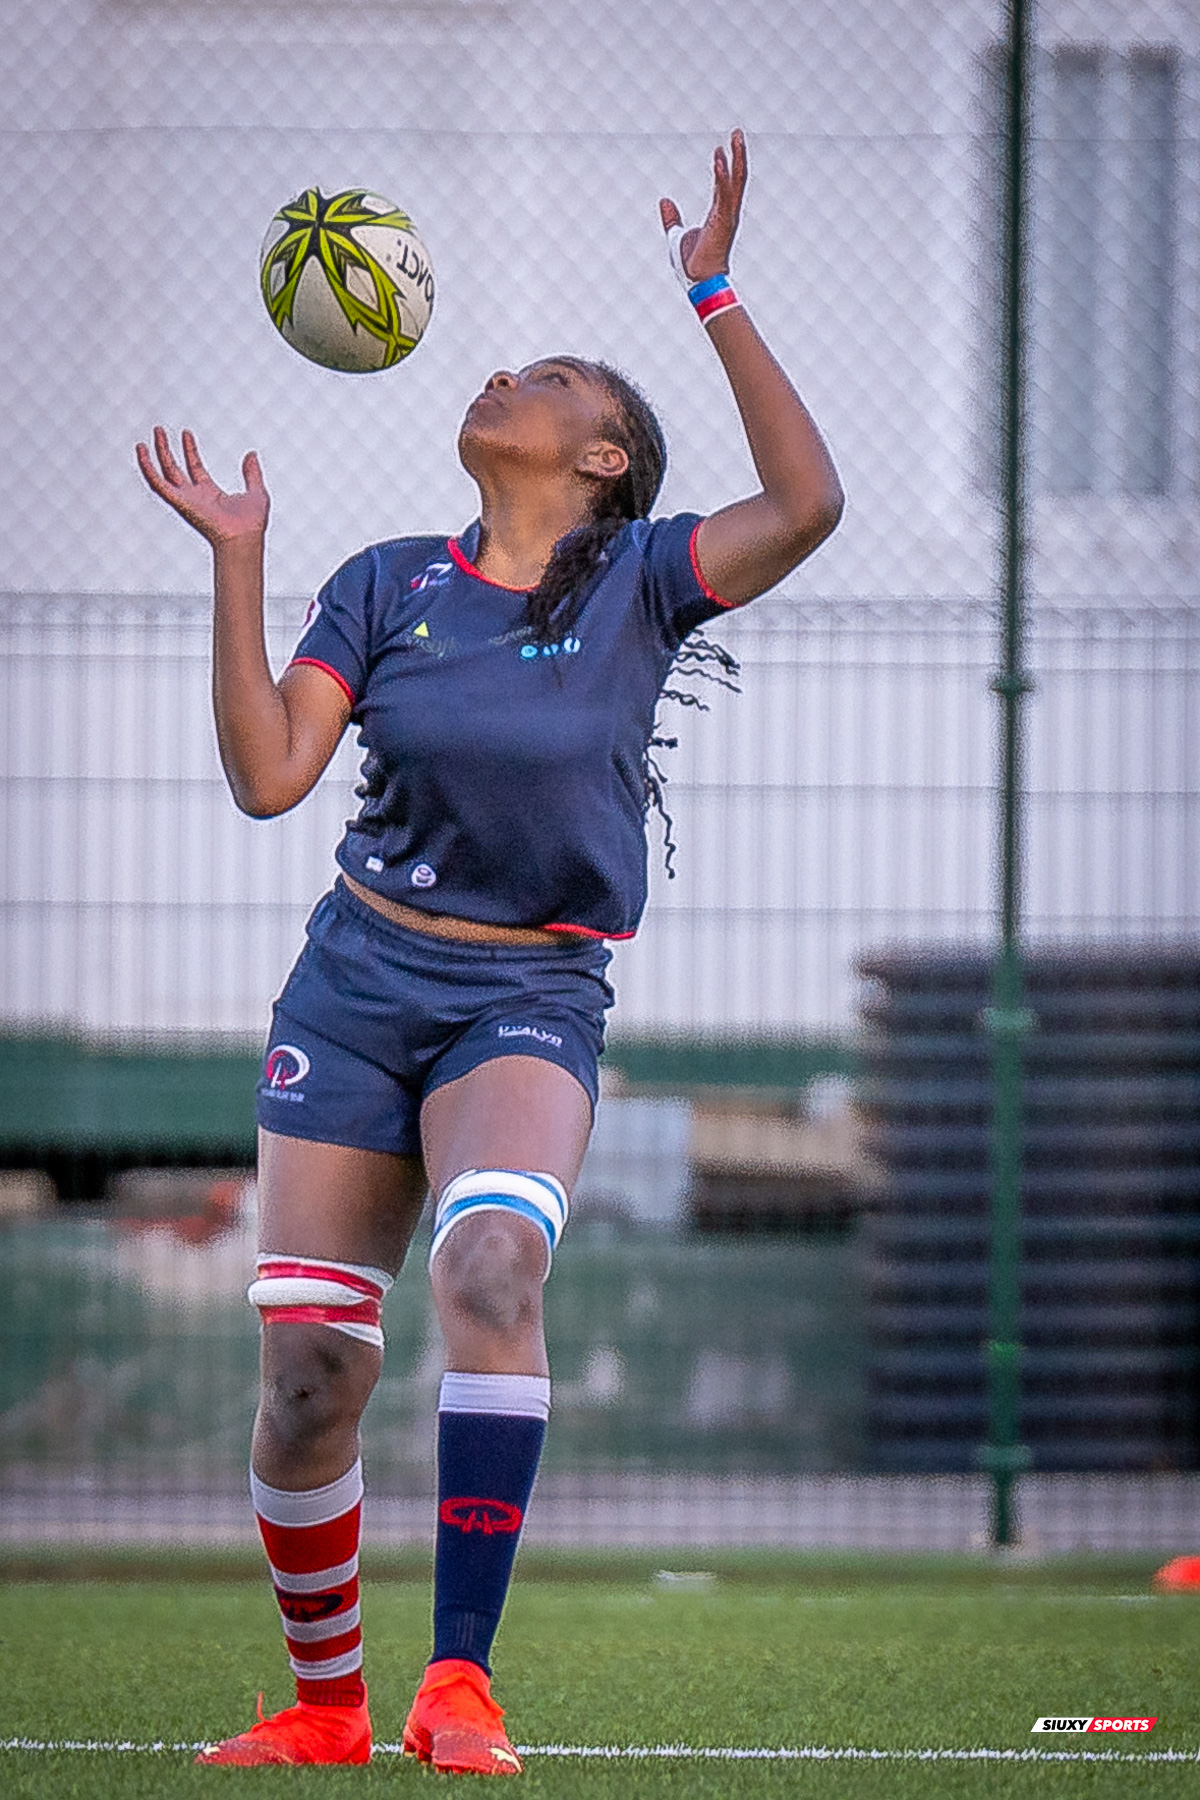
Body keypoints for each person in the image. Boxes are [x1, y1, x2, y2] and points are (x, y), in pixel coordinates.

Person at [136, 129, 842, 1774]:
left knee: (493, 1273)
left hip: (527, 992)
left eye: (549, 378)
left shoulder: (643, 580)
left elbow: (809, 503)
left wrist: (713, 292)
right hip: (355, 988)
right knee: (309, 1375)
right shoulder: (386, 583)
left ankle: (459, 1681)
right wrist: (238, 560)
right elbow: (268, 777)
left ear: (603, 456)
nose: (503, 375)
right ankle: (327, 1708)